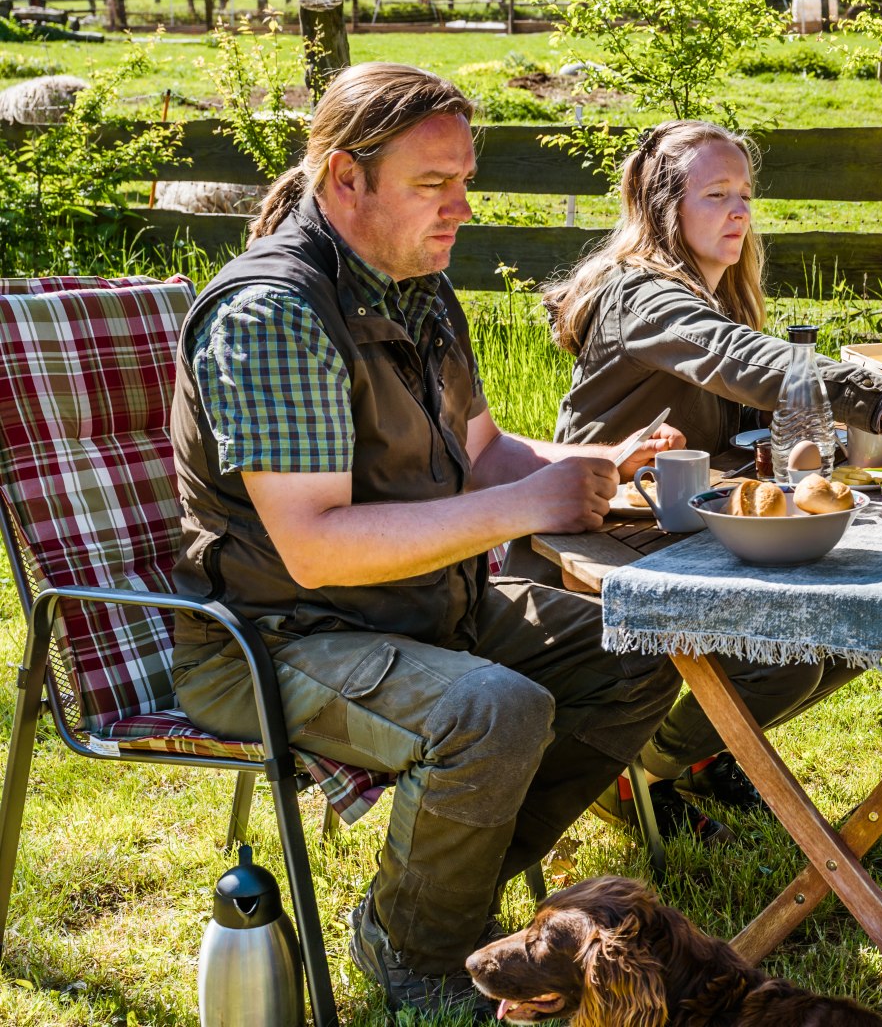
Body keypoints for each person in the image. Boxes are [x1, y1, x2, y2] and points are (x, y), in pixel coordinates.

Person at [169, 63, 687, 1022]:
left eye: (465, 182)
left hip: (420, 607)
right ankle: (415, 951)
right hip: (275, 636)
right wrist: (531, 505)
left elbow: (483, 451)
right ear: (345, 181)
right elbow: (315, 548)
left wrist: (596, 460)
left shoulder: (416, 285)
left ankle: (445, 898)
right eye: (431, 185)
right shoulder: (276, 316)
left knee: (641, 651)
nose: (460, 207)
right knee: (493, 712)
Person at [523, 119, 882, 841]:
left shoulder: (716, 292)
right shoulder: (642, 296)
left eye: (745, 194)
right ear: (663, 207)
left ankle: (700, 757)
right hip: (596, 538)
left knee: (845, 629)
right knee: (790, 661)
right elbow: (739, 357)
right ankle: (636, 772)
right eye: (716, 195)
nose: (739, 211)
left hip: (683, 529)